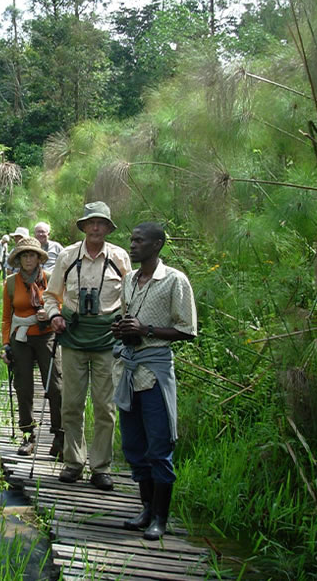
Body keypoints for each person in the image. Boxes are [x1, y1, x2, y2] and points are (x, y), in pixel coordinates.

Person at [111, 222, 196, 541]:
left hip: (155, 372)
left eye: (139, 241)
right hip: (128, 371)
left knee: (159, 446)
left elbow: (187, 330)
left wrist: (146, 330)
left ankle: (161, 518)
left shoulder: (174, 280)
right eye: (131, 240)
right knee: (134, 446)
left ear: (157, 244)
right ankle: (146, 509)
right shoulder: (129, 280)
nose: (132, 246)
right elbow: (127, 317)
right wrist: (122, 329)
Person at [43, 202, 131, 490]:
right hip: (73, 336)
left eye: (101, 223)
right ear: (83, 227)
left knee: (105, 406)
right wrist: (55, 316)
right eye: (91, 223)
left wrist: (128, 328)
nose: (96, 228)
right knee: (71, 403)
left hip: (108, 339)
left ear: (108, 228)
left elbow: (130, 300)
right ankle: (73, 462)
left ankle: (101, 467)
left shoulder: (119, 257)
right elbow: (50, 295)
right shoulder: (67, 257)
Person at [0, 237, 64, 458]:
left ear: (39, 258)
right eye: (24, 255)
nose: (28, 259)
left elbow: (60, 304)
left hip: (46, 336)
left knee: (55, 386)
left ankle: (59, 437)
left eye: (32, 255)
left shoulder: (49, 280)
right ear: (18, 259)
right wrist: (6, 345)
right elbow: (6, 318)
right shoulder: (10, 283)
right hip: (21, 339)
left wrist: (51, 313)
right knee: (23, 387)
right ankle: (28, 436)